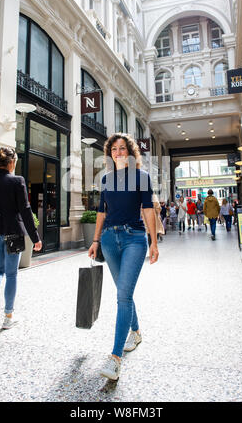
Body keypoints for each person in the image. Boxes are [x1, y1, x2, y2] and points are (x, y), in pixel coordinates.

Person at [88, 133, 159, 381]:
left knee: (122, 296)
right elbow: (101, 213)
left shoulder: (141, 177)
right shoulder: (106, 180)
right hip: (109, 240)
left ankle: (115, 358)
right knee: (123, 292)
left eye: (123, 148)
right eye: (114, 149)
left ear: (130, 153)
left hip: (134, 239)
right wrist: (96, 240)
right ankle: (136, 331)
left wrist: (154, 242)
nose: (119, 152)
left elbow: (148, 210)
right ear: (110, 153)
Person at [0, 147, 42, 332]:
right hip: (13, 233)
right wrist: (35, 238)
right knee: (11, 274)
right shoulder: (17, 181)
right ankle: (8, 317)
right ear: (12, 163)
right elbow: (26, 211)